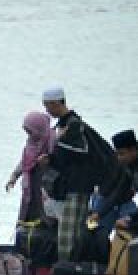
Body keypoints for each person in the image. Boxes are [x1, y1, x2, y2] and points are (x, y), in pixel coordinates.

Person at [40, 86, 115, 262]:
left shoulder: (73, 125)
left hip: (77, 185)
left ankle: (65, 268)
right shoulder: (68, 124)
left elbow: (77, 153)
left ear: (56, 103)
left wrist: (52, 157)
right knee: (75, 231)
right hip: (76, 185)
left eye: (48, 106)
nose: (47, 110)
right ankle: (73, 267)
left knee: (67, 234)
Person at [5, 110, 57, 224]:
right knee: (28, 216)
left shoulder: (52, 140)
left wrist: (48, 160)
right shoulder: (31, 142)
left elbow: (58, 162)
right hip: (31, 187)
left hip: (46, 186)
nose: (29, 135)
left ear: (39, 128)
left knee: (46, 216)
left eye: (30, 131)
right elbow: (24, 162)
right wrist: (13, 177)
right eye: (27, 132)